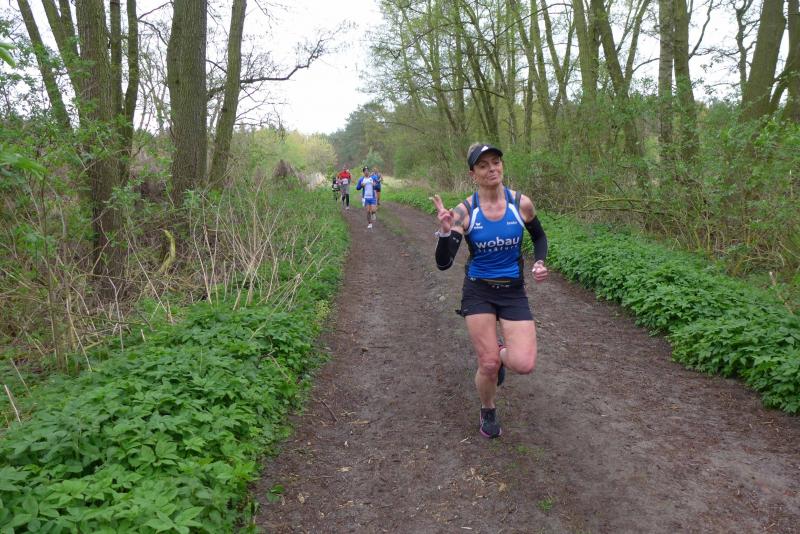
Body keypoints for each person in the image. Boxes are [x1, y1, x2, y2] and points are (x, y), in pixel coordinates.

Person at [431, 142, 549, 439]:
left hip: (513, 291)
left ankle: (500, 352)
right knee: (488, 363)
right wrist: (445, 232)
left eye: (495, 162)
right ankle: (488, 408)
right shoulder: (464, 211)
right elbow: (444, 263)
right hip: (479, 292)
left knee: (524, 364)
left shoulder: (521, 204)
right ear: (473, 174)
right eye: (483, 165)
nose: (491, 169)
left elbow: (539, 237)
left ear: (502, 166)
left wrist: (540, 261)